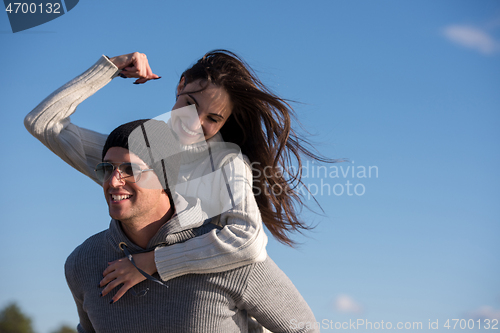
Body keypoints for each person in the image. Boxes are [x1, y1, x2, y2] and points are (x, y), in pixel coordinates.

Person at [25, 51, 332, 303]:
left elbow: (247, 240)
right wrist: (110, 68)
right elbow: (42, 123)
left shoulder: (225, 161)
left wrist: (152, 263)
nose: (194, 123)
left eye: (212, 119)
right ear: (181, 85)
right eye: (190, 105)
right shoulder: (134, 155)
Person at [65, 119, 318, 332]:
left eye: (130, 169)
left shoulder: (227, 253)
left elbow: (304, 329)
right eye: (107, 169)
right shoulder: (83, 262)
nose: (114, 181)